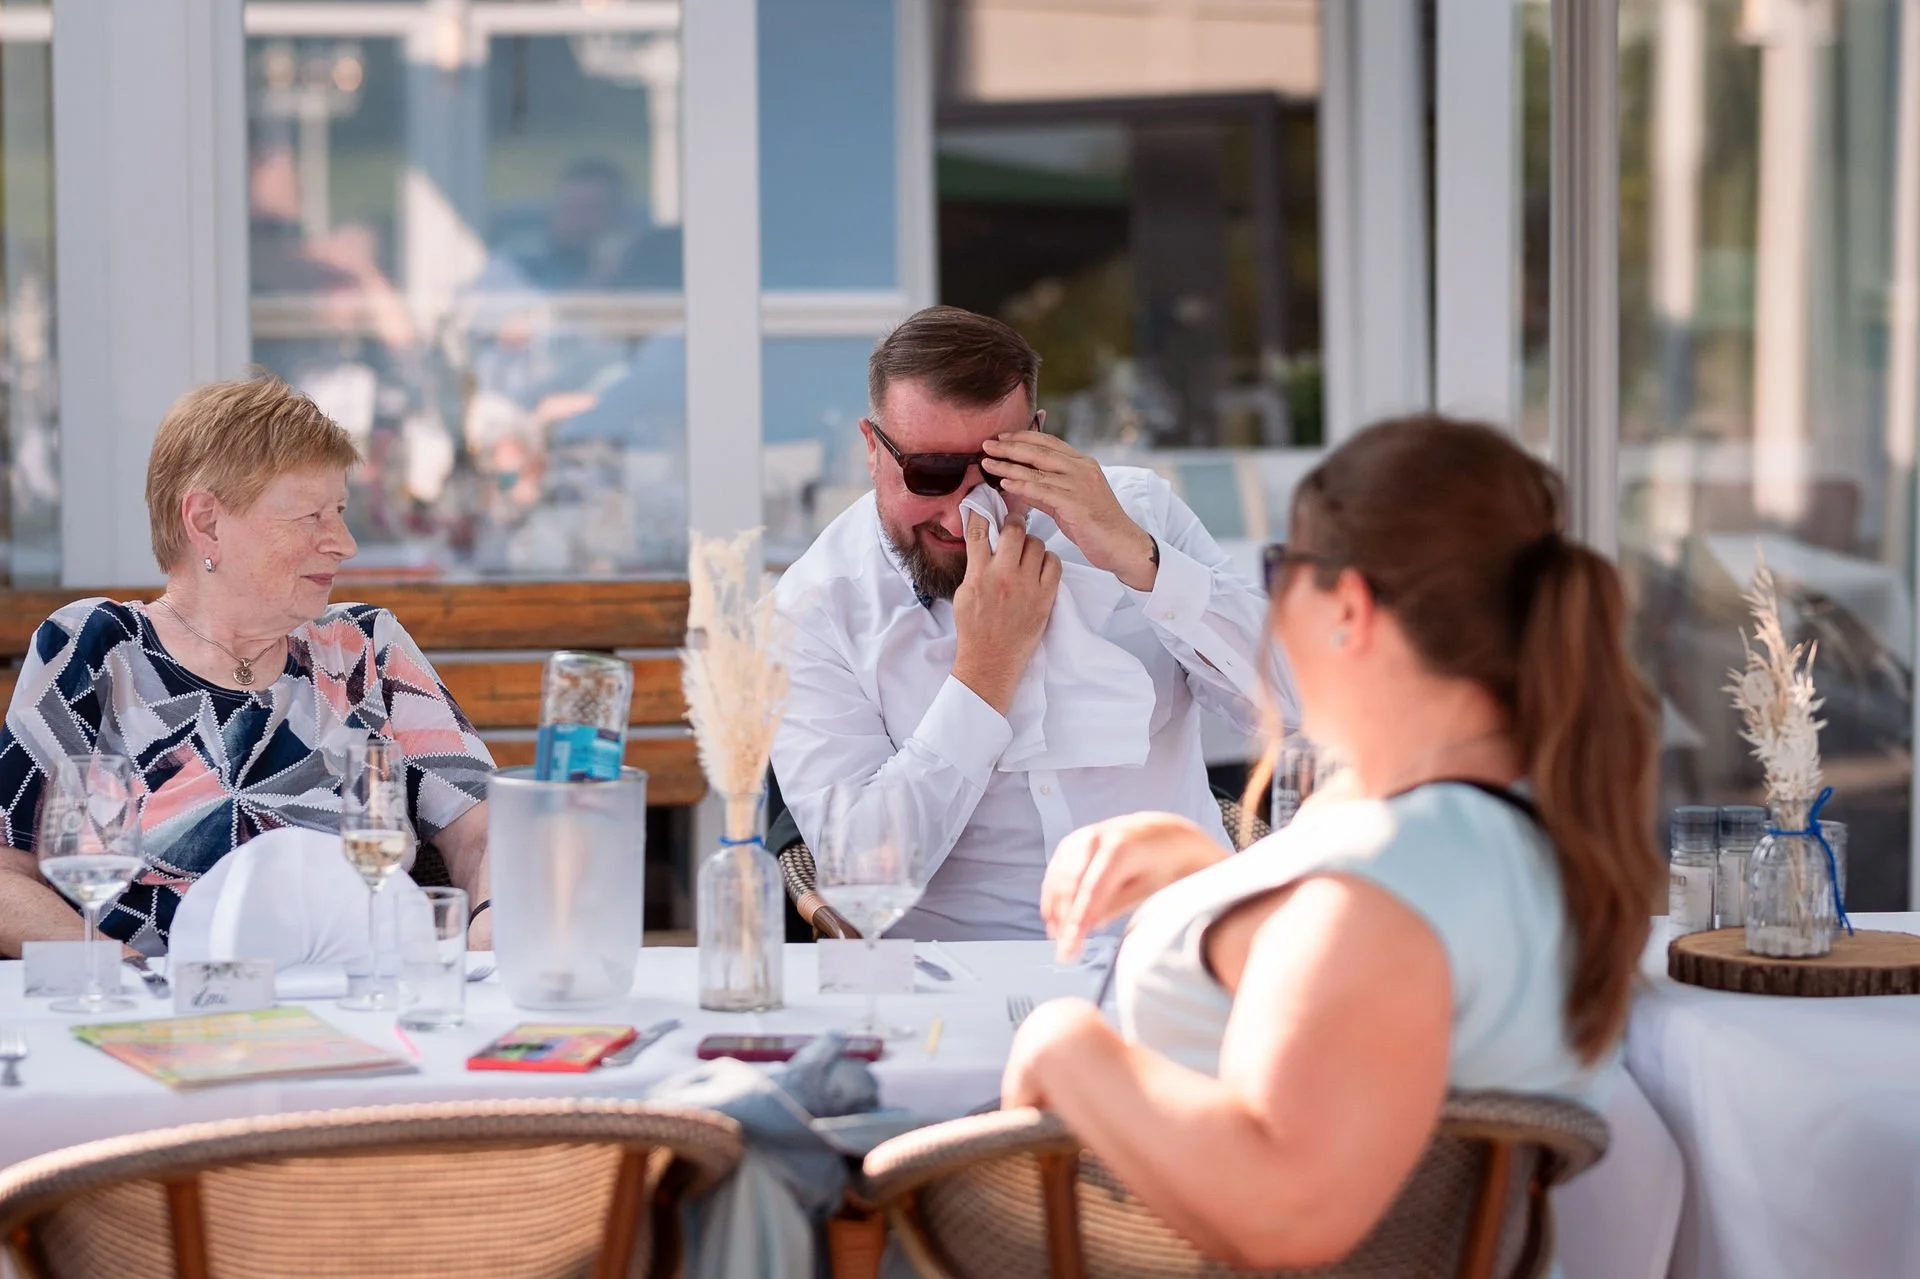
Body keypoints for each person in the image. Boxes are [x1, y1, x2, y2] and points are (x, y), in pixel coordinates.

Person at [999, 415, 1662, 1268]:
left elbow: (1287, 1211)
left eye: (1283, 572)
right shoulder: (1503, 823)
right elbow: (1352, 983)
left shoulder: (1384, 890)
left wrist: (1064, 1044)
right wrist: (1204, 876)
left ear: (1348, 605)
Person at [771, 306, 1282, 940]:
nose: (965, 517)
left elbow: (1304, 705)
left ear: (1039, 438)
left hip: (1178, 939)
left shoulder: (1141, 513)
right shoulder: (821, 603)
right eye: (930, 473)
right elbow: (857, 877)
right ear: (874, 450)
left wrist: (1144, 564)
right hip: (956, 973)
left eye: (996, 470)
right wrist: (985, 673)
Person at [0, 376, 496, 958]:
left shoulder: (365, 648)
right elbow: (7, 876)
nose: (343, 542)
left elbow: (483, 832)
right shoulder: (95, 649)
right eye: (311, 516)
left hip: (364, 993)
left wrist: (491, 921)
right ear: (206, 522)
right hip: (166, 1014)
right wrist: (129, 977)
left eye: (338, 510)